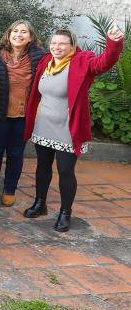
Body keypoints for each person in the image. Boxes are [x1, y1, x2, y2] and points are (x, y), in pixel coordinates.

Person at [23, 24, 124, 232]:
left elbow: (104, 63)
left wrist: (113, 43)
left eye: (62, 44)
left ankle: (65, 213)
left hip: (67, 127)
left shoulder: (82, 62)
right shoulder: (46, 62)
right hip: (43, 125)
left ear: (72, 46)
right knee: (42, 166)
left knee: (65, 171)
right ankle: (40, 203)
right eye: (54, 43)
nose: (57, 47)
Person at [0, 20, 46, 207]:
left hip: (24, 115)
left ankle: (10, 189)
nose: (19, 34)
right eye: (15, 31)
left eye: (23, 32)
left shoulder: (40, 58)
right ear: (8, 35)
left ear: (31, 37)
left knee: (16, 153)